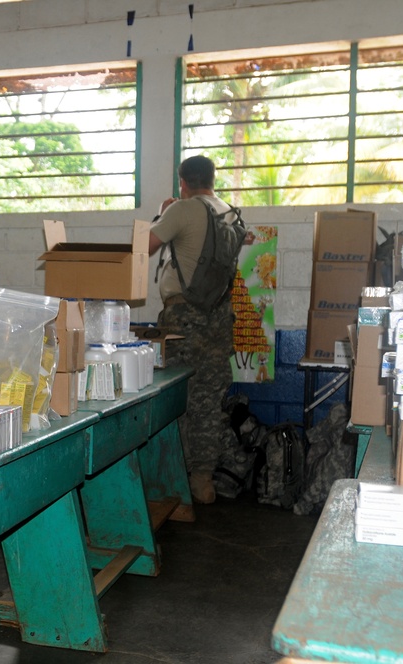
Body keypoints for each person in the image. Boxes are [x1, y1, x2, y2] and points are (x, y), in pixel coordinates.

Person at [148, 155, 236, 504]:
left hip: (184, 318)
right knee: (210, 400)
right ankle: (203, 480)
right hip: (220, 317)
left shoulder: (183, 210)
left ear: (183, 181)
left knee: (177, 396)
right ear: (213, 179)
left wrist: (161, 212)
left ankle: (176, 481)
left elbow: (145, 246)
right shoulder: (228, 212)